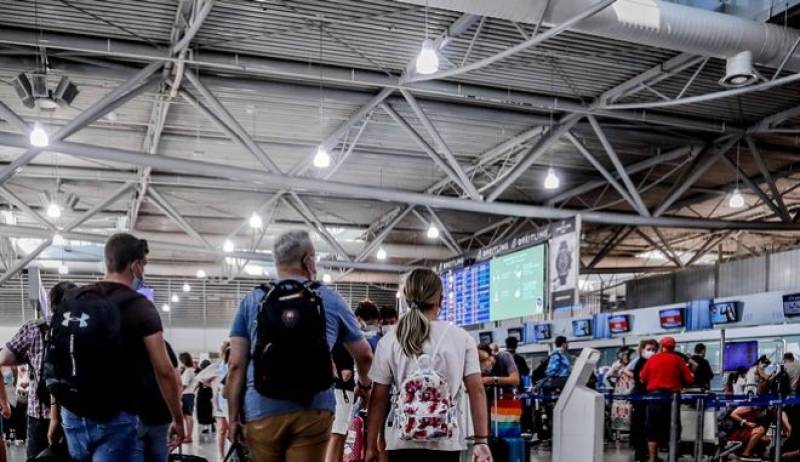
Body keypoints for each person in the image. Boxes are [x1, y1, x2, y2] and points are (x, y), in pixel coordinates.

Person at [228, 229, 374, 462]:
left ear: (278, 261)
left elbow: (236, 364)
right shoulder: (329, 298)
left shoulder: (253, 300)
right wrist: (364, 387)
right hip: (314, 408)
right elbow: (364, 355)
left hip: (262, 408)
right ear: (307, 260)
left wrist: (233, 417)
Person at [48, 233, 185, 462]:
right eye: (143, 265)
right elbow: (164, 370)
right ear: (135, 265)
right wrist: (178, 419)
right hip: (114, 417)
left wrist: (56, 417)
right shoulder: (139, 306)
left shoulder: (75, 298)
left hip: (72, 415)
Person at [364, 268, 492, 462]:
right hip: (446, 442)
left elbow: (377, 398)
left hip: (402, 441)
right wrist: (481, 441)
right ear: (440, 300)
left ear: (406, 298)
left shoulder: (390, 340)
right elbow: (477, 391)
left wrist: (371, 444)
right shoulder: (461, 338)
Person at [0, 280, 75, 459]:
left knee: (36, 457)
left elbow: (3, 358)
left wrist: (28, 358)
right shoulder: (81, 329)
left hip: (38, 413)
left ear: (51, 303)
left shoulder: (33, 328)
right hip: (75, 414)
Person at [639, 336, 694, 462]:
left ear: (661, 347)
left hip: (654, 397)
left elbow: (642, 378)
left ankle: (652, 458)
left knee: (652, 428)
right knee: (673, 428)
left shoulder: (652, 359)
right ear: (673, 347)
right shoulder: (678, 360)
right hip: (672, 399)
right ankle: (672, 457)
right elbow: (689, 379)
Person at [134, 340, 179, 462]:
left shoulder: (118, 341)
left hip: (130, 417)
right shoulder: (162, 344)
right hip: (161, 415)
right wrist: (177, 418)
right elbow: (175, 382)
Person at [626, 339, 658, 462]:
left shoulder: (646, 362)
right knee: (641, 426)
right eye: (649, 349)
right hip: (641, 398)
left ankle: (644, 454)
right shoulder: (641, 362)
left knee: (644, 426)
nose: (652, 352)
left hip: (643, 397)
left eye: (654, 349)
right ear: (642, 350)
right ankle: (641, 454)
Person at [327, 342, 356, 462]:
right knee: (337, 433)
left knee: (340, 433)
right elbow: (346, 374)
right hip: (341, 391)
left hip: (329, 391)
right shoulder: (343, 340)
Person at [607, 347, 634, 432]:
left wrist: (624, 371)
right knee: (618, 410)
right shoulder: (616, 364)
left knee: (628, 410)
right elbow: (609, 375)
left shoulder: (632, 364)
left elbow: (635, 376)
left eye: (628, 355)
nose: (626, 357)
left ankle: (628, 430)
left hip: (630, 390)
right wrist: (615, 373)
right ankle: (618, 431)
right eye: (624, 355)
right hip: (619, 391)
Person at [179, 352, 197, 444]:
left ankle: (189, 436)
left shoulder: (188, 371)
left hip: (186, 395)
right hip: (189, 394)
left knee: (188, 416)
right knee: (187, 416)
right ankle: (188, 436)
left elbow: (184, 385)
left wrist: (178, 395)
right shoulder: (191, 370)